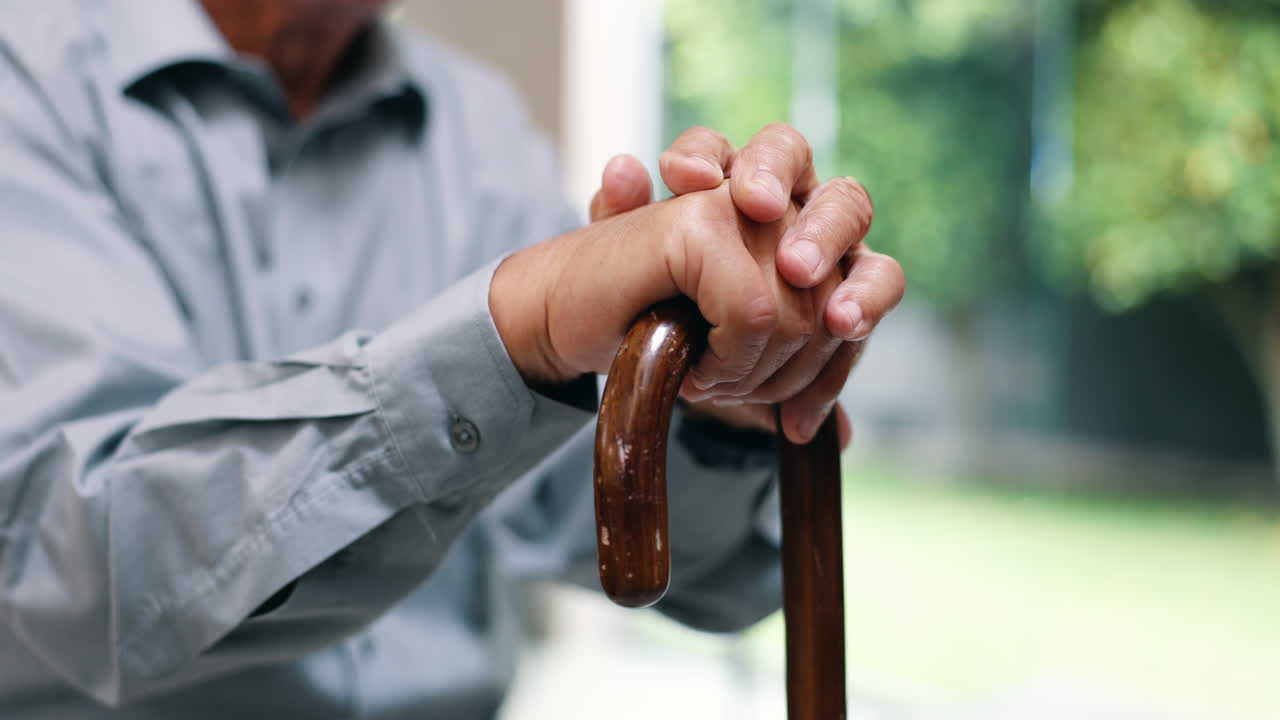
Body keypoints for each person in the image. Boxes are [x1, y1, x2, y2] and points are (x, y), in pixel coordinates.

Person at [0, 0, 905, 717]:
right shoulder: (25, 78)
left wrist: (715, 400)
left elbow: (571, 515)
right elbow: (75, 559)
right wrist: (519, 328)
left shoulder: (479, 128)